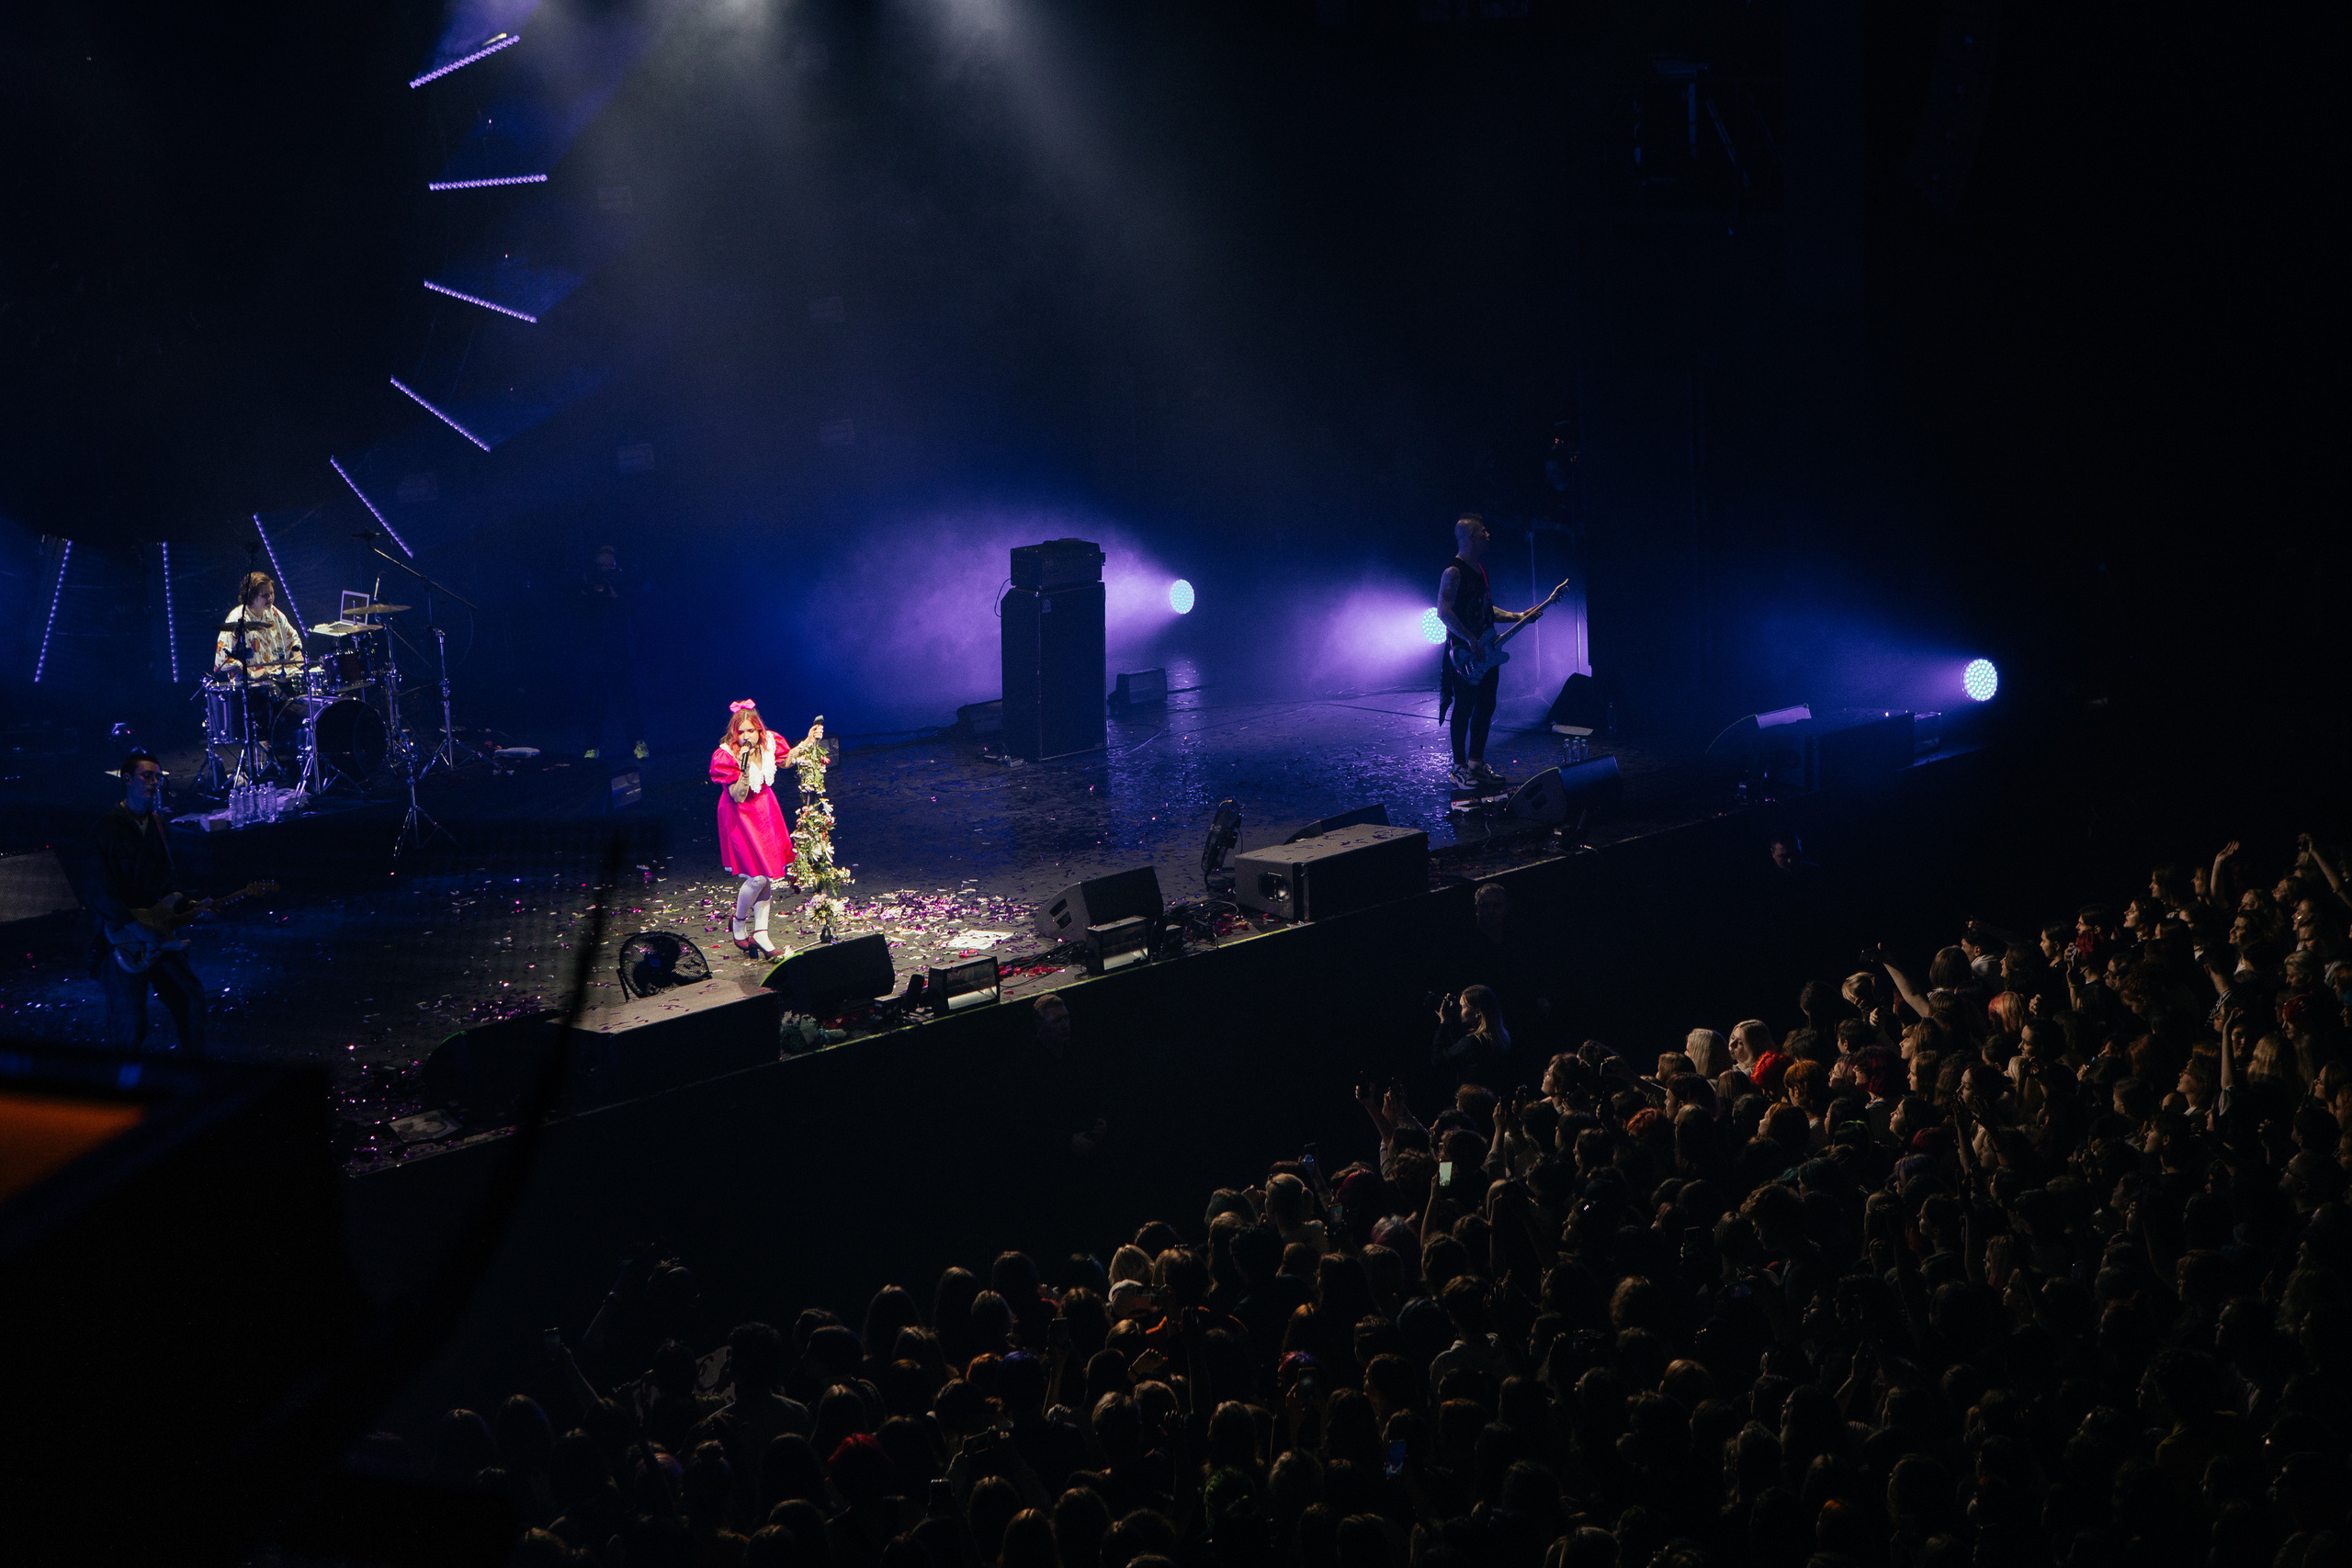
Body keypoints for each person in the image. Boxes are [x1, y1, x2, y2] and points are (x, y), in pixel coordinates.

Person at [85, 751, 207, 1054]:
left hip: (158, 930)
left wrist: (192, 904)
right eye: (147, 776)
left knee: (191, 1001)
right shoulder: (107, 828)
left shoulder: (158, 825)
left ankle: (194, 1080)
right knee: (130, 1024)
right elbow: (99, 890)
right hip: (122, 937)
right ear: (127, 780)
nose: (154, 783)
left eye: (157, 777)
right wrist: (136, 930)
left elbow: (167, 884)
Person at [1436, 513, 1544, 789]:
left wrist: (1518, 615)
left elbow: (1486, 609)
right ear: (1472, 536)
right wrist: (1470, 639)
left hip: (1486, 649)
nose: (1488, 535)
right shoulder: (1453, 572)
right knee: (1463, 707)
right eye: (1483, 531)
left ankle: (1476, 764)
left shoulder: (1480, 570)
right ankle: (1458, 768)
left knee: (1486, 705)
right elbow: (1443, 611)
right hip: (1464, 653)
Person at [708, 701, 817, 957]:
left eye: (750, 731)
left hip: (765, 811)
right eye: (741, 732)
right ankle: (738, 921)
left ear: (758, 730)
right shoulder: (727, 755)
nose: (746, 736)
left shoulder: (769, 742)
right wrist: (744, 769)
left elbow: (786, 761)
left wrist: (808, 742)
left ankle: (761, 935)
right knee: (756, 877)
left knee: (767, 875)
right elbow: (737, 795)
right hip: (740, 815)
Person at [580, 545, 648, 761]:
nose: (609, 570)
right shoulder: (586, 586)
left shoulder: (624, 585)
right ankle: (592, 746)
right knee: (596, 701)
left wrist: (615, 597)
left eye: (612, 566)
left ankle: (638, 742)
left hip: (621, 651)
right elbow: (579, 615)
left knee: (629, 699)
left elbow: (634, 610)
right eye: (604, 566)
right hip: (597, 652)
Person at [212, 570, 303, 676]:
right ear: (251, 596)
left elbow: (292, 640)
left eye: (271, 593)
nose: (270, 598)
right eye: (265, 595)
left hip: (276, 677)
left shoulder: (273, 613)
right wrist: (252, 674)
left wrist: (299, 661)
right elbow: (222, 660)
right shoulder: (237, 618)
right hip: (251, 684)